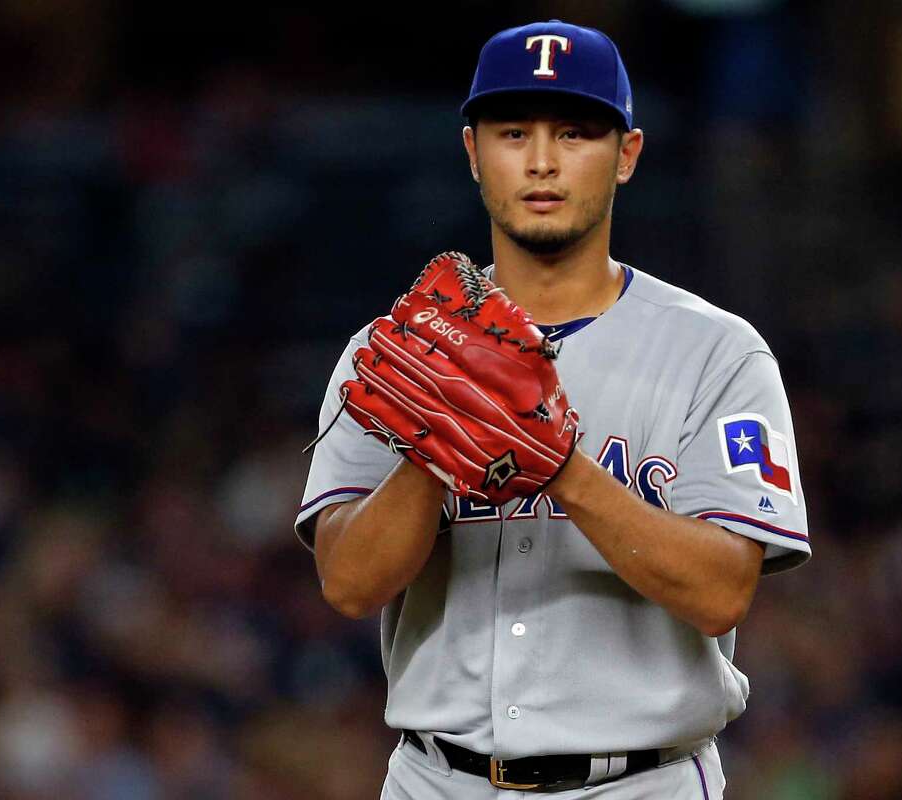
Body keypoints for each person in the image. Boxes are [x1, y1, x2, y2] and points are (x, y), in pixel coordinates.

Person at [296, 19, 811, 798]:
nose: (541, 161)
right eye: (513, 133)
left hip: (643, 784)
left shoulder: (719, 353)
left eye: (575, 132)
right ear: (473, 153)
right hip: (438, 782)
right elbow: (349, 584)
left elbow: (722, 593)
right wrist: (439, 445)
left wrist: (561, 467)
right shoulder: (399, 352)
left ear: (627, 155)